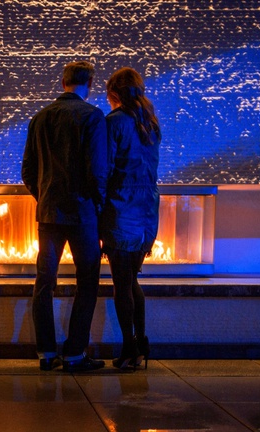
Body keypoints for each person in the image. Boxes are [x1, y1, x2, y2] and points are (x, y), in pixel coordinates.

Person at [22, 60, 108, 372]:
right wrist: (98, 207)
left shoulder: (40, 117)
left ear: (63, 83)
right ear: (90, 84)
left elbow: (28, 171)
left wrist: (44, 197)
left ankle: (46, 352)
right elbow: (98, 170)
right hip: (83, 212)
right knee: (88, 280)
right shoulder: (93, 117)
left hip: (48, 214)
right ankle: (74, 353)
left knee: (44, 280)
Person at [100, 67, 161, 370]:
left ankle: (129, 349)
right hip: (147, 213)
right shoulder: (150, 123)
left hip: (121, 211)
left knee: (122, 283)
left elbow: (105, 170)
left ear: (114, 93)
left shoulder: (114, 123)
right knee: (131, 280)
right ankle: (140, 343)